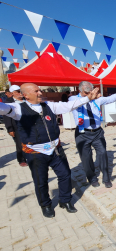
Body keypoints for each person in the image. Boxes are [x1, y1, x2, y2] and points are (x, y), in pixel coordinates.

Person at [0, 83, 99, 217]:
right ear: (26, 95)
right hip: (35, 153)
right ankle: (45, 205)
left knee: (65, 175)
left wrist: (88, 98)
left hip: (55, 150)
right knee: (41, 181)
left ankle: (65, 200)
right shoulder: (17, 108)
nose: (40, 93)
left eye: (40, 90)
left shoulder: (49, 105)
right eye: (36, 91)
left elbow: (68, 105)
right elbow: (3, 108)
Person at [70, 81, 116, 188]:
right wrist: (90, 97)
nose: (90, 92)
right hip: (82, 133)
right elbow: (79, 102)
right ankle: (92, 178)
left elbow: (110, 99)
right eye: (87, 90)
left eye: (91, 89)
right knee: (86, 158)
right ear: (81, 90)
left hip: (97, 132)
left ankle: (106, 178)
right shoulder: (73, 99)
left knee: (103, 153)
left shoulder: (97, 100)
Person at [3, 85, 28, 167]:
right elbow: (6, 117)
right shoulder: (8, 102)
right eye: (18, 92)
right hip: (16, 125)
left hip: (29, 124)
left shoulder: (26, 100)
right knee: (19, 143)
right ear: (12, 93)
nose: (20, 93)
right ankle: (21, 159)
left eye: (21, 91)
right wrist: (10, 129)